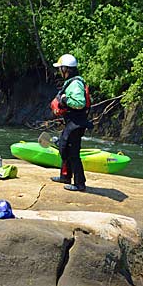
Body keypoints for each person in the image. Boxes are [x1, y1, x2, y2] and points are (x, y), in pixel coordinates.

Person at [49, 54, 92, 192]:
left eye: (61, 68)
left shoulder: (75, 84)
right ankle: (65, 176)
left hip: (76, 123)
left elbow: (80, 103)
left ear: (66, 69)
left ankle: (80, 184)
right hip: (72, 122)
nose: (59, 71)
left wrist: (65, 100)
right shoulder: (72, 82)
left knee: (72, 152)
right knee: (64, 148)